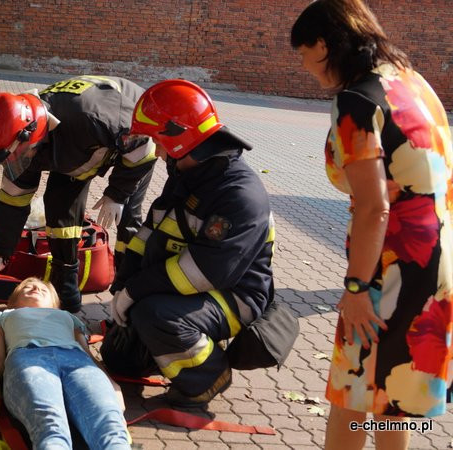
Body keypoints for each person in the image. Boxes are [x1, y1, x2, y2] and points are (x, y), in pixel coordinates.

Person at [290, 1, 453, 449]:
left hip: (390, 268)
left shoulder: (358, 100)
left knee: (352, 393)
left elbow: (373, 207)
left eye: (303, 53)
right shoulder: (411, 82)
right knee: (391, 401)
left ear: (324, 44)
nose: (304, 65)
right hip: (434, 264)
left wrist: (357, 288)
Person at [99, 79, 275, 408]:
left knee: (156, 314)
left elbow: (205, 272)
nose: (156, 151)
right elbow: (150, 233)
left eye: (157, 141)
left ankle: (209, 376)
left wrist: (136, 292)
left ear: (178, 139)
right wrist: (122, 285)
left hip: (235, 294)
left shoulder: (238, 195)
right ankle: (167, 347)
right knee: (119, 358)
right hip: (188, 283)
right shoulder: (189, 173)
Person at [0, 75, 157, 313]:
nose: (13, 161)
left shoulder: (95, 121)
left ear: (33, 136)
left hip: (133, 141)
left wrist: (117, 194)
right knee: (59, 212)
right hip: (77, 149)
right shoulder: (24, 132)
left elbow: (144, 149)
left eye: (15, 155)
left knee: (127, 217)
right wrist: (1, 255)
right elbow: (12, 201)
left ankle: (127, 290)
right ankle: (66, 292)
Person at [0, 277, 130, 449]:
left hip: (77, 360)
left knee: (109, 425)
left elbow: (88, 355)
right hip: (28, 358)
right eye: (27, 287)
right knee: (50, 424)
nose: (35, 288)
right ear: (12, 301)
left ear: (55, 304)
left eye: (43, 289)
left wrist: (111, 383)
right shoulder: (2, 316)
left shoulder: (66, 317)